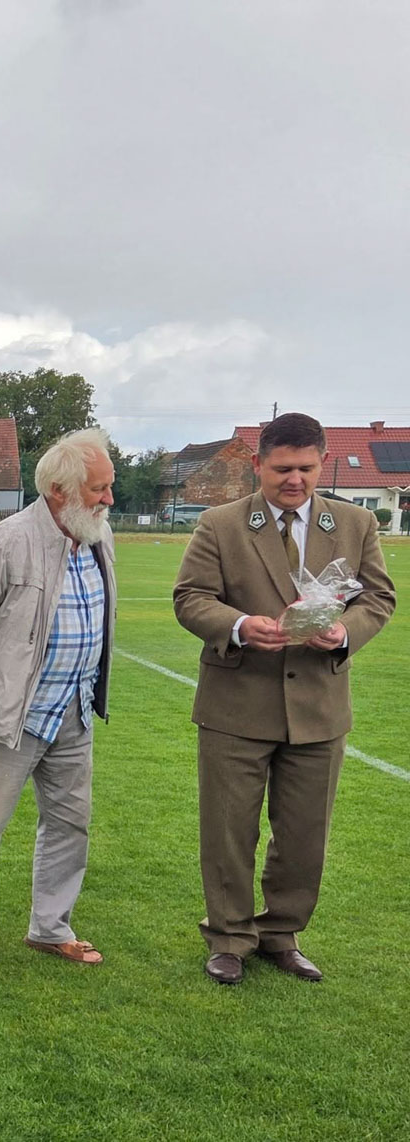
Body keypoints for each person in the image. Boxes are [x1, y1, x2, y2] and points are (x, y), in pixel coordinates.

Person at [174, 413, 395, 985]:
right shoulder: (220, 524)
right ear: (258, 465)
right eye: (282, 469)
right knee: (229, 832)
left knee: (303, 836)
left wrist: (343, 633)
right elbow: (191, 598)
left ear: (323, 463)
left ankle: (281, 934)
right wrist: (240, 625)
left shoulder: (356, 522)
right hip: (235, 707)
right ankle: (229, 937)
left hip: (319, 709)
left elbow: (377, 599)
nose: (295, 479)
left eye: (306, 468)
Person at [0, 427, 116, 970]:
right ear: (59, 490)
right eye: (98, 489)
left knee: (70, 825)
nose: (109, 499)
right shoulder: (8, 540)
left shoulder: (99, 536)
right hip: (12, 715)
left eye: (108, 486)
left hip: (74, 712)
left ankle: (50, 927)